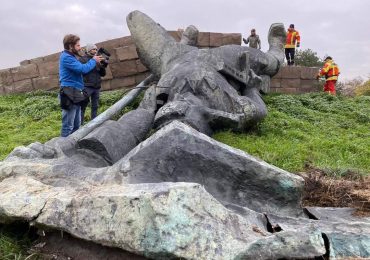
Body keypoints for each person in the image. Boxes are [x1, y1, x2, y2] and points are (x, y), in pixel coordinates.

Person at [59, 34, 103, 137]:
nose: (80, 47)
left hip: (76, 91)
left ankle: (73, 146)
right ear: (70, 46)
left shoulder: (72, 56)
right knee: (68, 126)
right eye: (78, 45)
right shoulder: (66, 57)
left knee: (76, 125)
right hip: (68, 91)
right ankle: (62, 148)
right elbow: (82, 69)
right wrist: (93, 60)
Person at [79, 44, 106, 124]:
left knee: (95, 106)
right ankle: (80, 124)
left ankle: (94, 123)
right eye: (93, 49)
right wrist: (93, 62)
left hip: (96, 87)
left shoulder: (98, 59)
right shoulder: (82, 59)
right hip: (87, 86)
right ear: (88, 50)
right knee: (83, 106)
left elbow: (103, 74)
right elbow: (83, 71)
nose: (95, 51)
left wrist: (102, 66)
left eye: (96, 49)